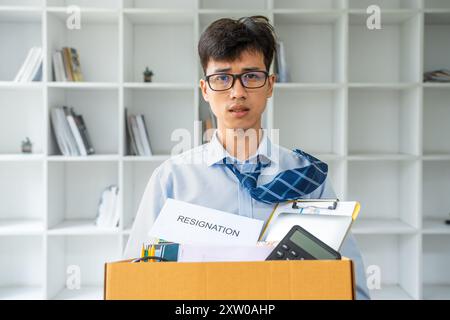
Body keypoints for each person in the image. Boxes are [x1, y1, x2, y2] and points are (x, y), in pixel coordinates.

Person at [124, 16, 370, 300]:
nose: (237, 92)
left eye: (251, 76)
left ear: (270, 85)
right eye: (222, 78)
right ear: (205, 89)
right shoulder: (172, 179)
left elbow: (352, 288)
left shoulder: (307, 177)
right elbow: (134, 283)